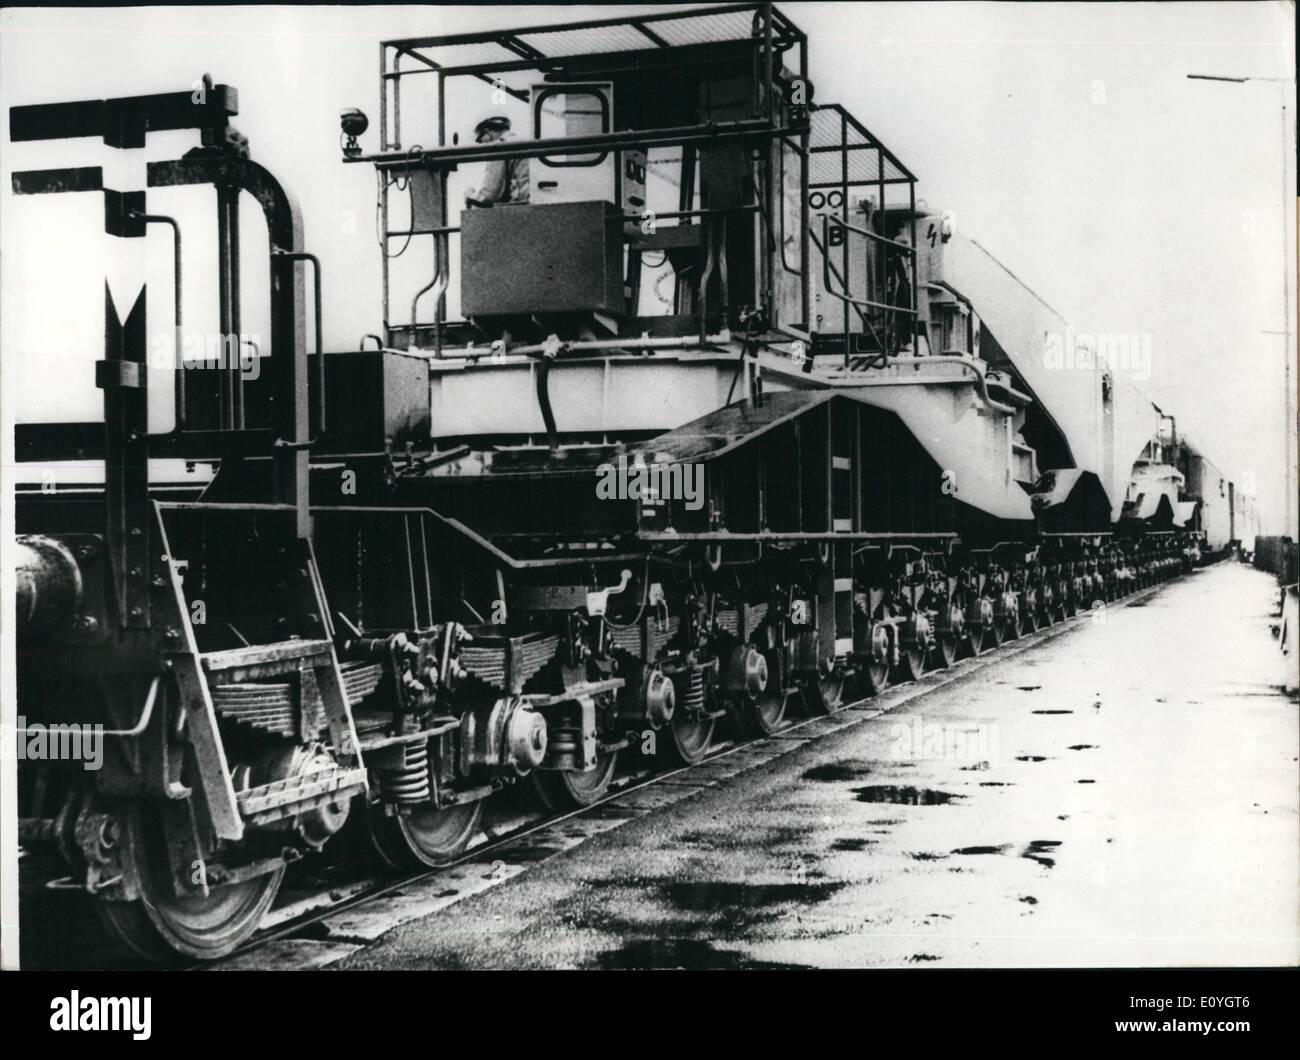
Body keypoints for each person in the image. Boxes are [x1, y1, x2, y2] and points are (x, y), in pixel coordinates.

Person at [465, 113, 530, 207]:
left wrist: (470, 195)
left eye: (479, 140)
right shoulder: (519, 140)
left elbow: (489, 195)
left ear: (487, 133)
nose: (481, 145)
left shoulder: (498, 147)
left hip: (522, 205)